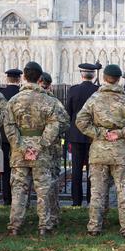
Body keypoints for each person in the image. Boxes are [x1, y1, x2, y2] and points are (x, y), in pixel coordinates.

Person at [76, 64, 125, 237]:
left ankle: (94, 227)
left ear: (105, 77)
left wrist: (100, 133)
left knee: (98, 192)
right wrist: (121, 133)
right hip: (120, 152)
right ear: (118, 79)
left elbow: (81, 121)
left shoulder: (94, 98)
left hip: (99, 151)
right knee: (124, 191)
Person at [4, 62, 60, 236]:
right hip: (41, 152)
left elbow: (9, 126)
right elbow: (54, 125)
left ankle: (15, 226)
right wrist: (41, 145)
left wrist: (20, 146)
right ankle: (44, 225)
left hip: (19, 151)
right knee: (43, 189)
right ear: (40, 78)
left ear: (25, 77)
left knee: (19, 189)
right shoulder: (48, 100)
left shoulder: (13, 101)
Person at [38, 72, 70, 227]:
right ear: (49, 85)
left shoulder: (21, 98)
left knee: (25, 184)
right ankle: (53, 216)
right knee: (51, 182)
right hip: (51, 148)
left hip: (26, 146)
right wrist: (53, 132)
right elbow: (65, 122)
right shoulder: (54, 102)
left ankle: (18, 220)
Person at [66, 63, 100, 206]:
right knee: (92, 170)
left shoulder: (74, 90)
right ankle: (91, 200)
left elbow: (68, 112)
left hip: (76, 135)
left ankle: (76, 201)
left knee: (76, 170)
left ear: (82, 74)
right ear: (93, 75)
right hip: (93, 135)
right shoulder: (98, 91)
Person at [0, 69, 22, 205]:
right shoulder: (22, 94)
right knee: (21, 169)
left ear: (7, 79)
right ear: (19, 79)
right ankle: (19, 198)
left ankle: (7, 198)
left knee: (7, 168)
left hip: (5, 136)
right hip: (21, 137)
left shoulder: (2, 93)